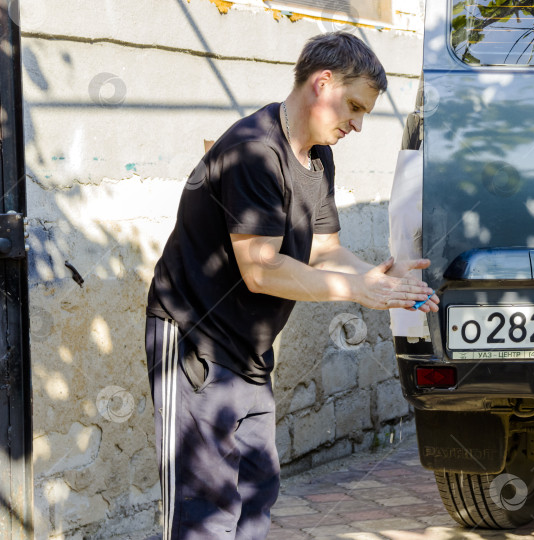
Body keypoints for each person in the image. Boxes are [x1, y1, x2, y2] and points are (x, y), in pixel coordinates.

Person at [144, 32, 438, 540]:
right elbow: (262, 269)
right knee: (206, 512)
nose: (358, 124)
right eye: (353, 106)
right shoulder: (256, 151)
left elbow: (325, 250)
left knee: (258, 493)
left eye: (364, 113)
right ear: (322, 84)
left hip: (251, 356)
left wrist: (375, 277)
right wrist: (356, 293)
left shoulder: (318, 158)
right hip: (195, 342)